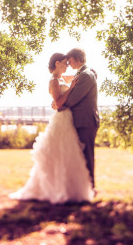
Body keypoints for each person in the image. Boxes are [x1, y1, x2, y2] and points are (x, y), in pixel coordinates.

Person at [9, 52, 94, 204]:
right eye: (65, 63)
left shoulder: (61, 79)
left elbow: (78, 82)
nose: (67, 65)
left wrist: (73, 83)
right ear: (57, 63)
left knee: (69, 153)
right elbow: (59, 103)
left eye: (69, 62)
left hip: (68, 118)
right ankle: (57, 188)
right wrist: (70, 89)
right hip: (62, 118)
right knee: (60, 152)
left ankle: (71, 188)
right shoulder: (54, 80)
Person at [57, 48, 99, 192]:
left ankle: (90, 188)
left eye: (69, 61)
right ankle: (83, 188)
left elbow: (74, 99)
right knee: (81, 155)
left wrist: (59, 105)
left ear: (76, 59)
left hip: (86, 121)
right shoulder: (83, 73)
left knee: (87, 155)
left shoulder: (86, 75)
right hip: (81, 121)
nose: (68, 63)